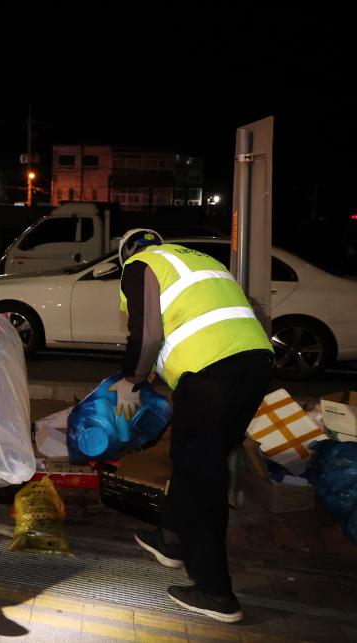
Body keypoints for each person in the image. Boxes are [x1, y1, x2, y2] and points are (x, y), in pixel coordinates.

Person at [110, 228, 274, 623]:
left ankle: (216, 592)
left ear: (126, 254)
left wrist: (132, 379)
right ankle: (171, 540)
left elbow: (147, 335)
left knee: (203, 479)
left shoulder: (140, 265)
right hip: (256, 364)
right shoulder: (200, 260)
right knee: (192, 460)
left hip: (210, 375)